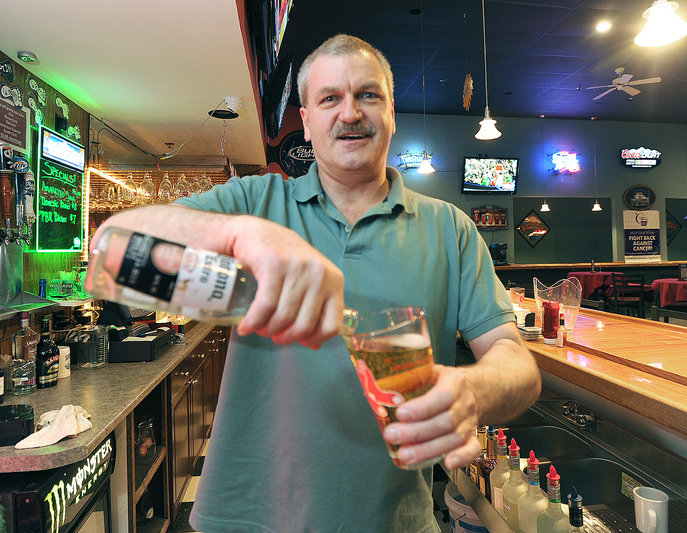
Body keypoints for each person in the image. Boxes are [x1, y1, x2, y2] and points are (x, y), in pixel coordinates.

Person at [96, 34, 540, 532]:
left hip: (395, 521)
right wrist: (236, 233)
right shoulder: (258, 202)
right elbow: (111, 252)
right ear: (305, 121)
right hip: (247, 519)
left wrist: (472, 389)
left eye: (368, 95)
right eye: (330, 98)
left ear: (391, 112)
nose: (350, 112)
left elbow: (518, 364)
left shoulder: (449, 229)